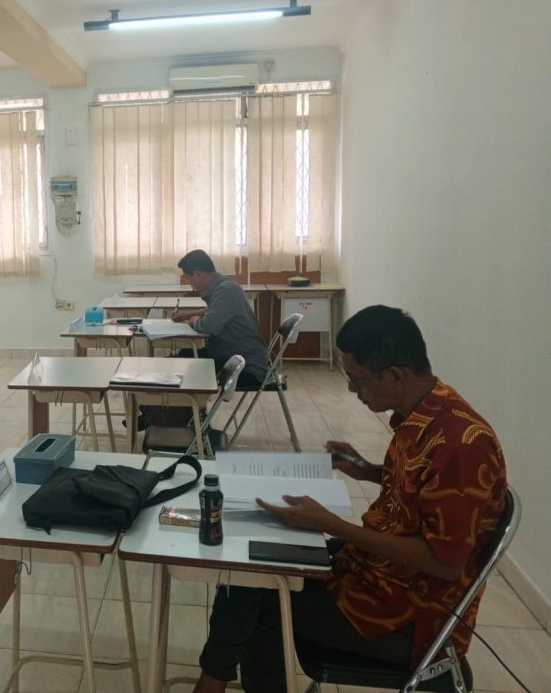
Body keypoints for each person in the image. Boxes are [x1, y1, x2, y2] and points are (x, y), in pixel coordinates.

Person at [192, 305, 508, 693]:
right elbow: (422, 491)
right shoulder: (428, 411)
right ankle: (213, 682)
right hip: (373, 574)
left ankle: (210, 684)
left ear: (395, 375)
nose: (352, 391)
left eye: (357, 380)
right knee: (256, 563)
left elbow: (444, 563)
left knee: (258, 592)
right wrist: (369, 470)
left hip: (407, 615)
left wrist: (333, 525)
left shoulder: (460, 444)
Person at [171, 249, 269, 387]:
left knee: (182, 368)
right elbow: (214, 310)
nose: (189, 284)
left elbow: (208, 326)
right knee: (183, 356)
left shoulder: (226, 290)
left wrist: (194, 321)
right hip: (232, 354)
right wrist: (187, 315)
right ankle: (189, 401)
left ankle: (189, 400)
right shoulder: (222, 284)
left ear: (198, 274)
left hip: (245, 365)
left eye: (188, 278)